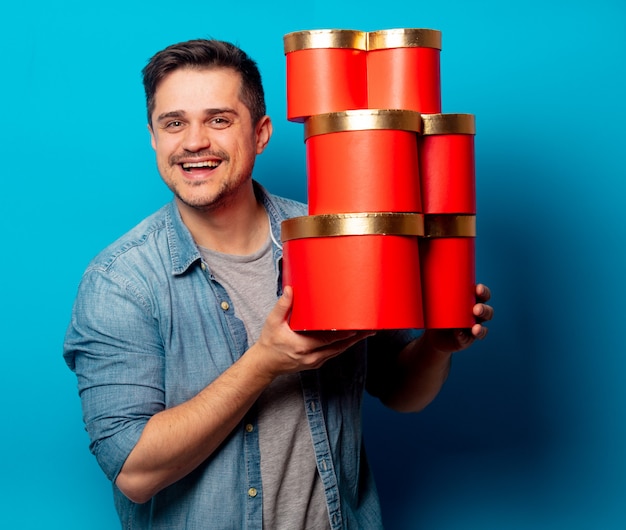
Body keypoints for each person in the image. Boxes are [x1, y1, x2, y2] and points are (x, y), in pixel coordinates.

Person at [63, 38, 493, 529]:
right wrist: (264, 364)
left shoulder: (338, 235)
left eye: (219, 119)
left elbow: (398, 391)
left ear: (262, 132)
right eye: (174, 123)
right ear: (154, 138)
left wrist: (437, 345)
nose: (194, 141)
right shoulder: (120, 281)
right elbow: (134, 472)